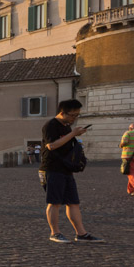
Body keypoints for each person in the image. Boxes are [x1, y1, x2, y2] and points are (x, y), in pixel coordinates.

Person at [40, 99, 102, 243]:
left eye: (77, 115)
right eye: (72, 115)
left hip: (66, 168)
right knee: (54, 202)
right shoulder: (51, 125)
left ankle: (81, 234)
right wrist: (73, 133)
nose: (74, 118)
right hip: (51, 168)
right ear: (62, 113)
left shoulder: (67, 127)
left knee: (73, 202)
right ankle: (54, 233)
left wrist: (74, 134)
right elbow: (52, 145)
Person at [119, 123, 134, 196]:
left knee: (131, 172)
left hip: (128, 156)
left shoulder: (128, 133)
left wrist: (120, 145)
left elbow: (124, 142)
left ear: (130, 128)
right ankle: (131, 190)